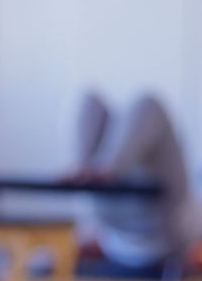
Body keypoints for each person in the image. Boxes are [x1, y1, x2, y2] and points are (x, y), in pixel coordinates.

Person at [71, 92, 189, 271]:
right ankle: (94, 168)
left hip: (159, 235)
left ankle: (99, 168)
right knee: (91, 101)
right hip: (118, 229)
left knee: (148, 104)